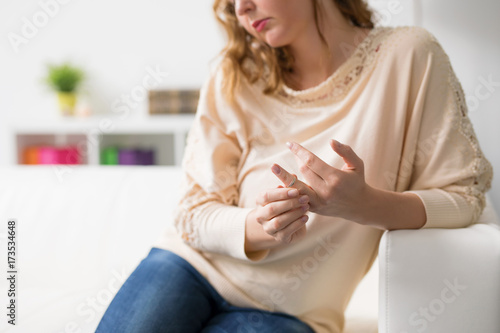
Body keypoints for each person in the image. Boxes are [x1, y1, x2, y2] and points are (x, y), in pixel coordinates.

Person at [95, 0, 493, 332]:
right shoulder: (235, 75)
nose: (242, 8)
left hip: (293, 313)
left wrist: (365, 204)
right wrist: (258, 228)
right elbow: (191, 214)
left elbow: (465, 197)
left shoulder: (409, 57)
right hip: (189, 266)